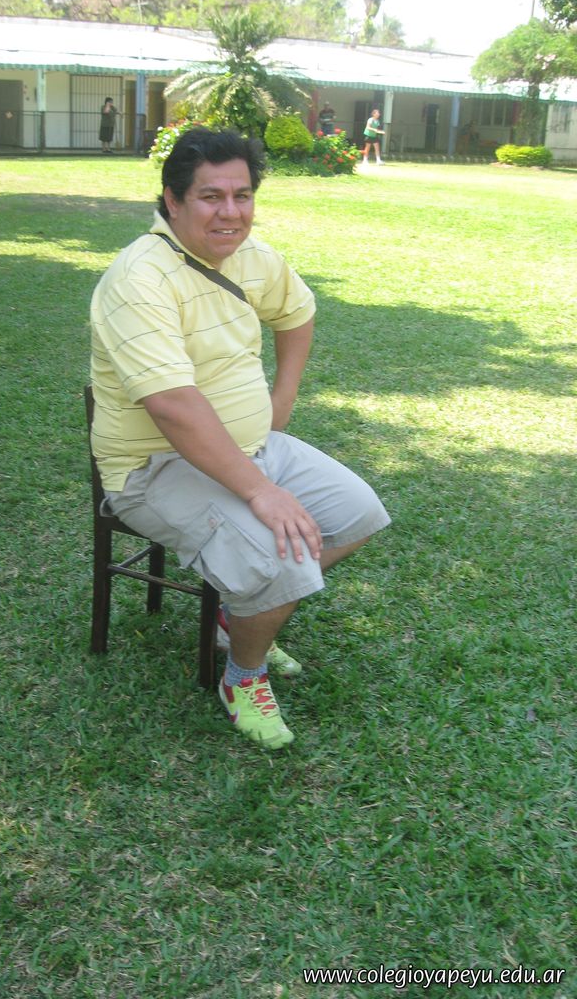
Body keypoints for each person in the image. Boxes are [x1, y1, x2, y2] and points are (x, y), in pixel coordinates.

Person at [90, 128, 390, 750]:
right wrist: (260, 491)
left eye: (242, 195)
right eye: (211, 197)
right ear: (172, 201)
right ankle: (242, 676)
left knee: (359, 513)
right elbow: (172, 406)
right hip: (152, 467)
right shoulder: (139, 279)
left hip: (253, 446)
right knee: (282, 560)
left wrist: (283, 400)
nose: (230, 212)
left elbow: (297, 313)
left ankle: (237, 616)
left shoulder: (253, 257)